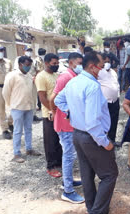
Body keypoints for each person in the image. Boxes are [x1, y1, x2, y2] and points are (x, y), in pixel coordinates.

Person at [55, 51, 118, 214]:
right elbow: (92, 123)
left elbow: (58, 100)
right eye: (101, 67)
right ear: (92, 67)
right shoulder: (92, 86)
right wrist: (106, 143)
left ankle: (92, 208)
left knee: (87, 174)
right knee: (110, 174)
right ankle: (97, 211)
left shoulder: (73, 82)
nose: (102, 71)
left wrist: (70, 113)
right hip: (92, 137)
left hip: (78, 135)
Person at [49, 53, 84, 203]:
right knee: (69, 156)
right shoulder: (65, 77)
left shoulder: (73, 76)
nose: (81, 65)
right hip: (65, 124)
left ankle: (67, 181)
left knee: (70, 155)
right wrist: (55, 112)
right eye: (79, 62)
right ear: (71, 62)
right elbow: (53, 98)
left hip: (70, 123)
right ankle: (68, 191)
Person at [2, 56, 41, 163]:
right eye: (27, 65)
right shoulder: (12, 75)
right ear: (20, 64)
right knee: (18, 131)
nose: (28, 67)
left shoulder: (28, 76)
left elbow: (31, 92)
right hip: (17, 108)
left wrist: (34, 105)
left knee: (28, 129)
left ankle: (29, 149)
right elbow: (6, 92)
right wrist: (11, 104)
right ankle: (16, 153)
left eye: (30, 65)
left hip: (29, 107)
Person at [35, 53, 62, 178]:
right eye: (54, 63)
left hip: (59, 112)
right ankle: (51, 166)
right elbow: (42, 98)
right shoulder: (41, 76)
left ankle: (59, 162)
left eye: (57, 63)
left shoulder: (57, 75)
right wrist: (52, 110)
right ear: (46, 63)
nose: (56, 65)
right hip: (49, 113)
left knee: (59, 139)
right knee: (50, 141)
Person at [14, 45, 42, 122]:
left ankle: (33, 115)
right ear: (24, 51)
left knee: (33, 99)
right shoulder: (19, 59)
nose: (29, 52)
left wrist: (35, 77)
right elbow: (17, 71)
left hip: (32, 82)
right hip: (23, 82)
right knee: (24, 99)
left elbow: (37, 71)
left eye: (30, 50)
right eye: (27, 50)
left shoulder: (34, 61)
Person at [98, 53, 120, 142]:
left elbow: (116, 84)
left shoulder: (113, 72)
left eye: (109, 61)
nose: (107, 63)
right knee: (104, 122)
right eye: (105, 61)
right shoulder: (99, 72)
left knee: (114, 121)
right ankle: (103, 141)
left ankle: (112, 140)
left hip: (115, 101)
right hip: (104, 102)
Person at [0, 43, 13, 139]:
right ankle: (4, 129)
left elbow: (11, 74)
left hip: (8, 87)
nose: (0, 53)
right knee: (1, 110)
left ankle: (10, 123)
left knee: (13, 105)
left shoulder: (8, 62)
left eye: (1, 51)